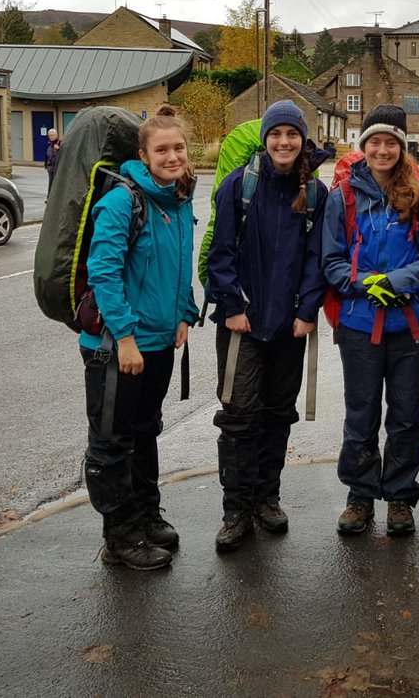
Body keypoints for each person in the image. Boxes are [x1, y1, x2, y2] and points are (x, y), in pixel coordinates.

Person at [206, 101, 329, 552]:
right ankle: (236, 510)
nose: (283, 142)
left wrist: (307, 311)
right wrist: (232, 303)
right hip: (242, 325)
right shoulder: (239, 186)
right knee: (239, 417)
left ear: (302, 140)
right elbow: (220, 253)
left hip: (290, 327)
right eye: (276, 134)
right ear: (265, 138)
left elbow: (318, 259)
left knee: (279, 414)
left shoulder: (316, 193)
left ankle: (266, 498)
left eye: (291, 135)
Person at [321, 104, 419, 537]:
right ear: (363, 147)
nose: (382, 149)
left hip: (409, 326)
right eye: (374, 142)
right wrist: (363, 284)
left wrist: (393, 282)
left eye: (390, 142)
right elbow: (331, 261)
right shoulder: (343, 197)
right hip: (358, 324)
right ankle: (359, 495)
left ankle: (399, 497)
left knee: (407, 414)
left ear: (402, 146)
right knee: (361, 413)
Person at [80, 106, 198, 571]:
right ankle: (119, 537)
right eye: (162, 150)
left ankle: (147, 515)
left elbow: (179, 265)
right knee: (112, 440)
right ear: (144, 155)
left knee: (146, 429)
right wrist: (124, 337)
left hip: (158, 342)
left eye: (178, 148)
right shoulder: (121, 202)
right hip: (116, 347)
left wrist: (185, 314)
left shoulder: (177, 199)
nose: (172, 156)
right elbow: (103, 273)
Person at [45, 128, 62, 194]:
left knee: (57, 183)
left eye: (52, 135)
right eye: (49, 135)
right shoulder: (49, 144)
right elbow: (47, 155)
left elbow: (65, 153)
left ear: (56, 135)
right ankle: (49, 197)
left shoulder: (60, 143)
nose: (51, 137)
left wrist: (59, 149)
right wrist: (46, 165)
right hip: (51, 167)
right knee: (51, 182)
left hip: (58, 167)